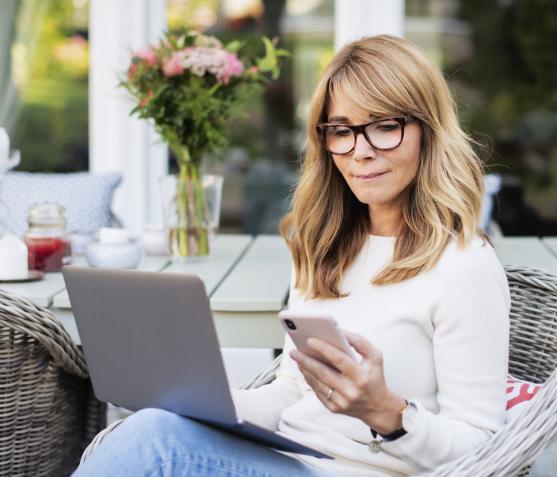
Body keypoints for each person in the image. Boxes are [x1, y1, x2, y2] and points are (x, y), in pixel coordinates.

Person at [75, 34, 510, 477]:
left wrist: (388, 413)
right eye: (341, 130)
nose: (360, 151)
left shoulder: (465, 267)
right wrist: (198, 399)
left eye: (384, 125)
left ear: (427, 130)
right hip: (289, 460)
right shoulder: (324, 247)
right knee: (156, 424)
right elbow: (291, 392)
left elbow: (483, 447)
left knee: (155, 446)